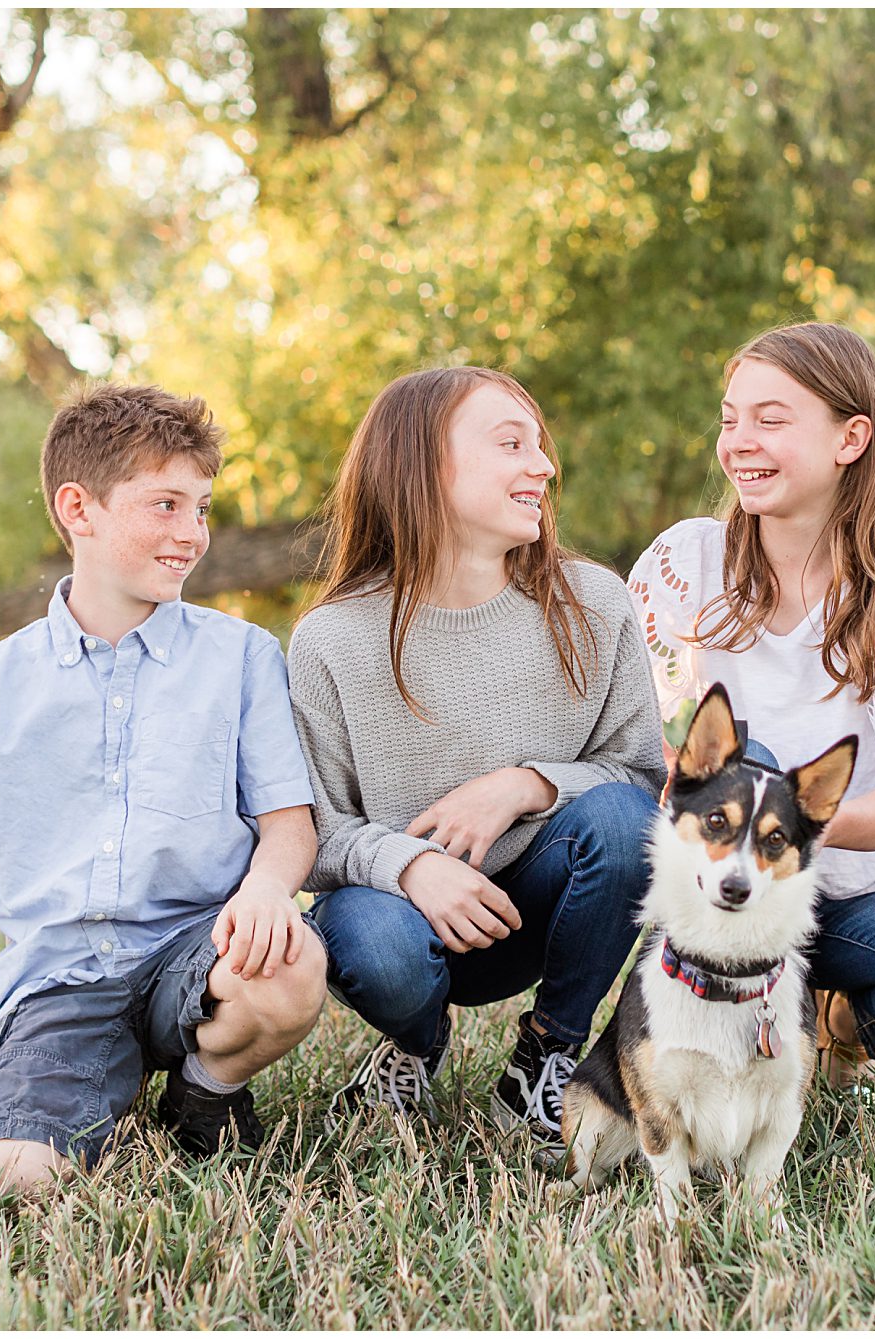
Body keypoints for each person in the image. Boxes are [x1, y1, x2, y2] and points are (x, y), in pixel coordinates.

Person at [0, 382, 326, 1193]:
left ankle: (204, 1092)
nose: (192, 534)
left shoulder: (242, 658)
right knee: (6, 1176)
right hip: (60, 978)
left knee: (290, 968)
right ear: (80, 508)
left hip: (198, 951)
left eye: (201, 508)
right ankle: (71, 1083)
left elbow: (290, 824)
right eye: (166, 505)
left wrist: (267, 890)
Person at [626, 321, 875, 1089]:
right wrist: (691, 787)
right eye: (730, 418)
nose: (740, 440)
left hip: (845, 888)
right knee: (748, 770)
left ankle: (833, 1015)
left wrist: (783, 822)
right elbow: (626, 732)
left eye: (771, 420)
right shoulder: (691, 560)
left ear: (851, 438)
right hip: (717, 894)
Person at [287, 366, 666, 1147]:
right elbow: (314, 834)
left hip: (543, 905)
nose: (545, 467)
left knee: (629, 823)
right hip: (396, 916)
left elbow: (641, 776)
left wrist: (524, 785)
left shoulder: (593, 603)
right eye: (512, 444)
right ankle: (416, 1044)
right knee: (381, 947)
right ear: (425, 464)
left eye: (541, 446)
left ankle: (548, 1053)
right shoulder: (331, 639)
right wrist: (413, 866)